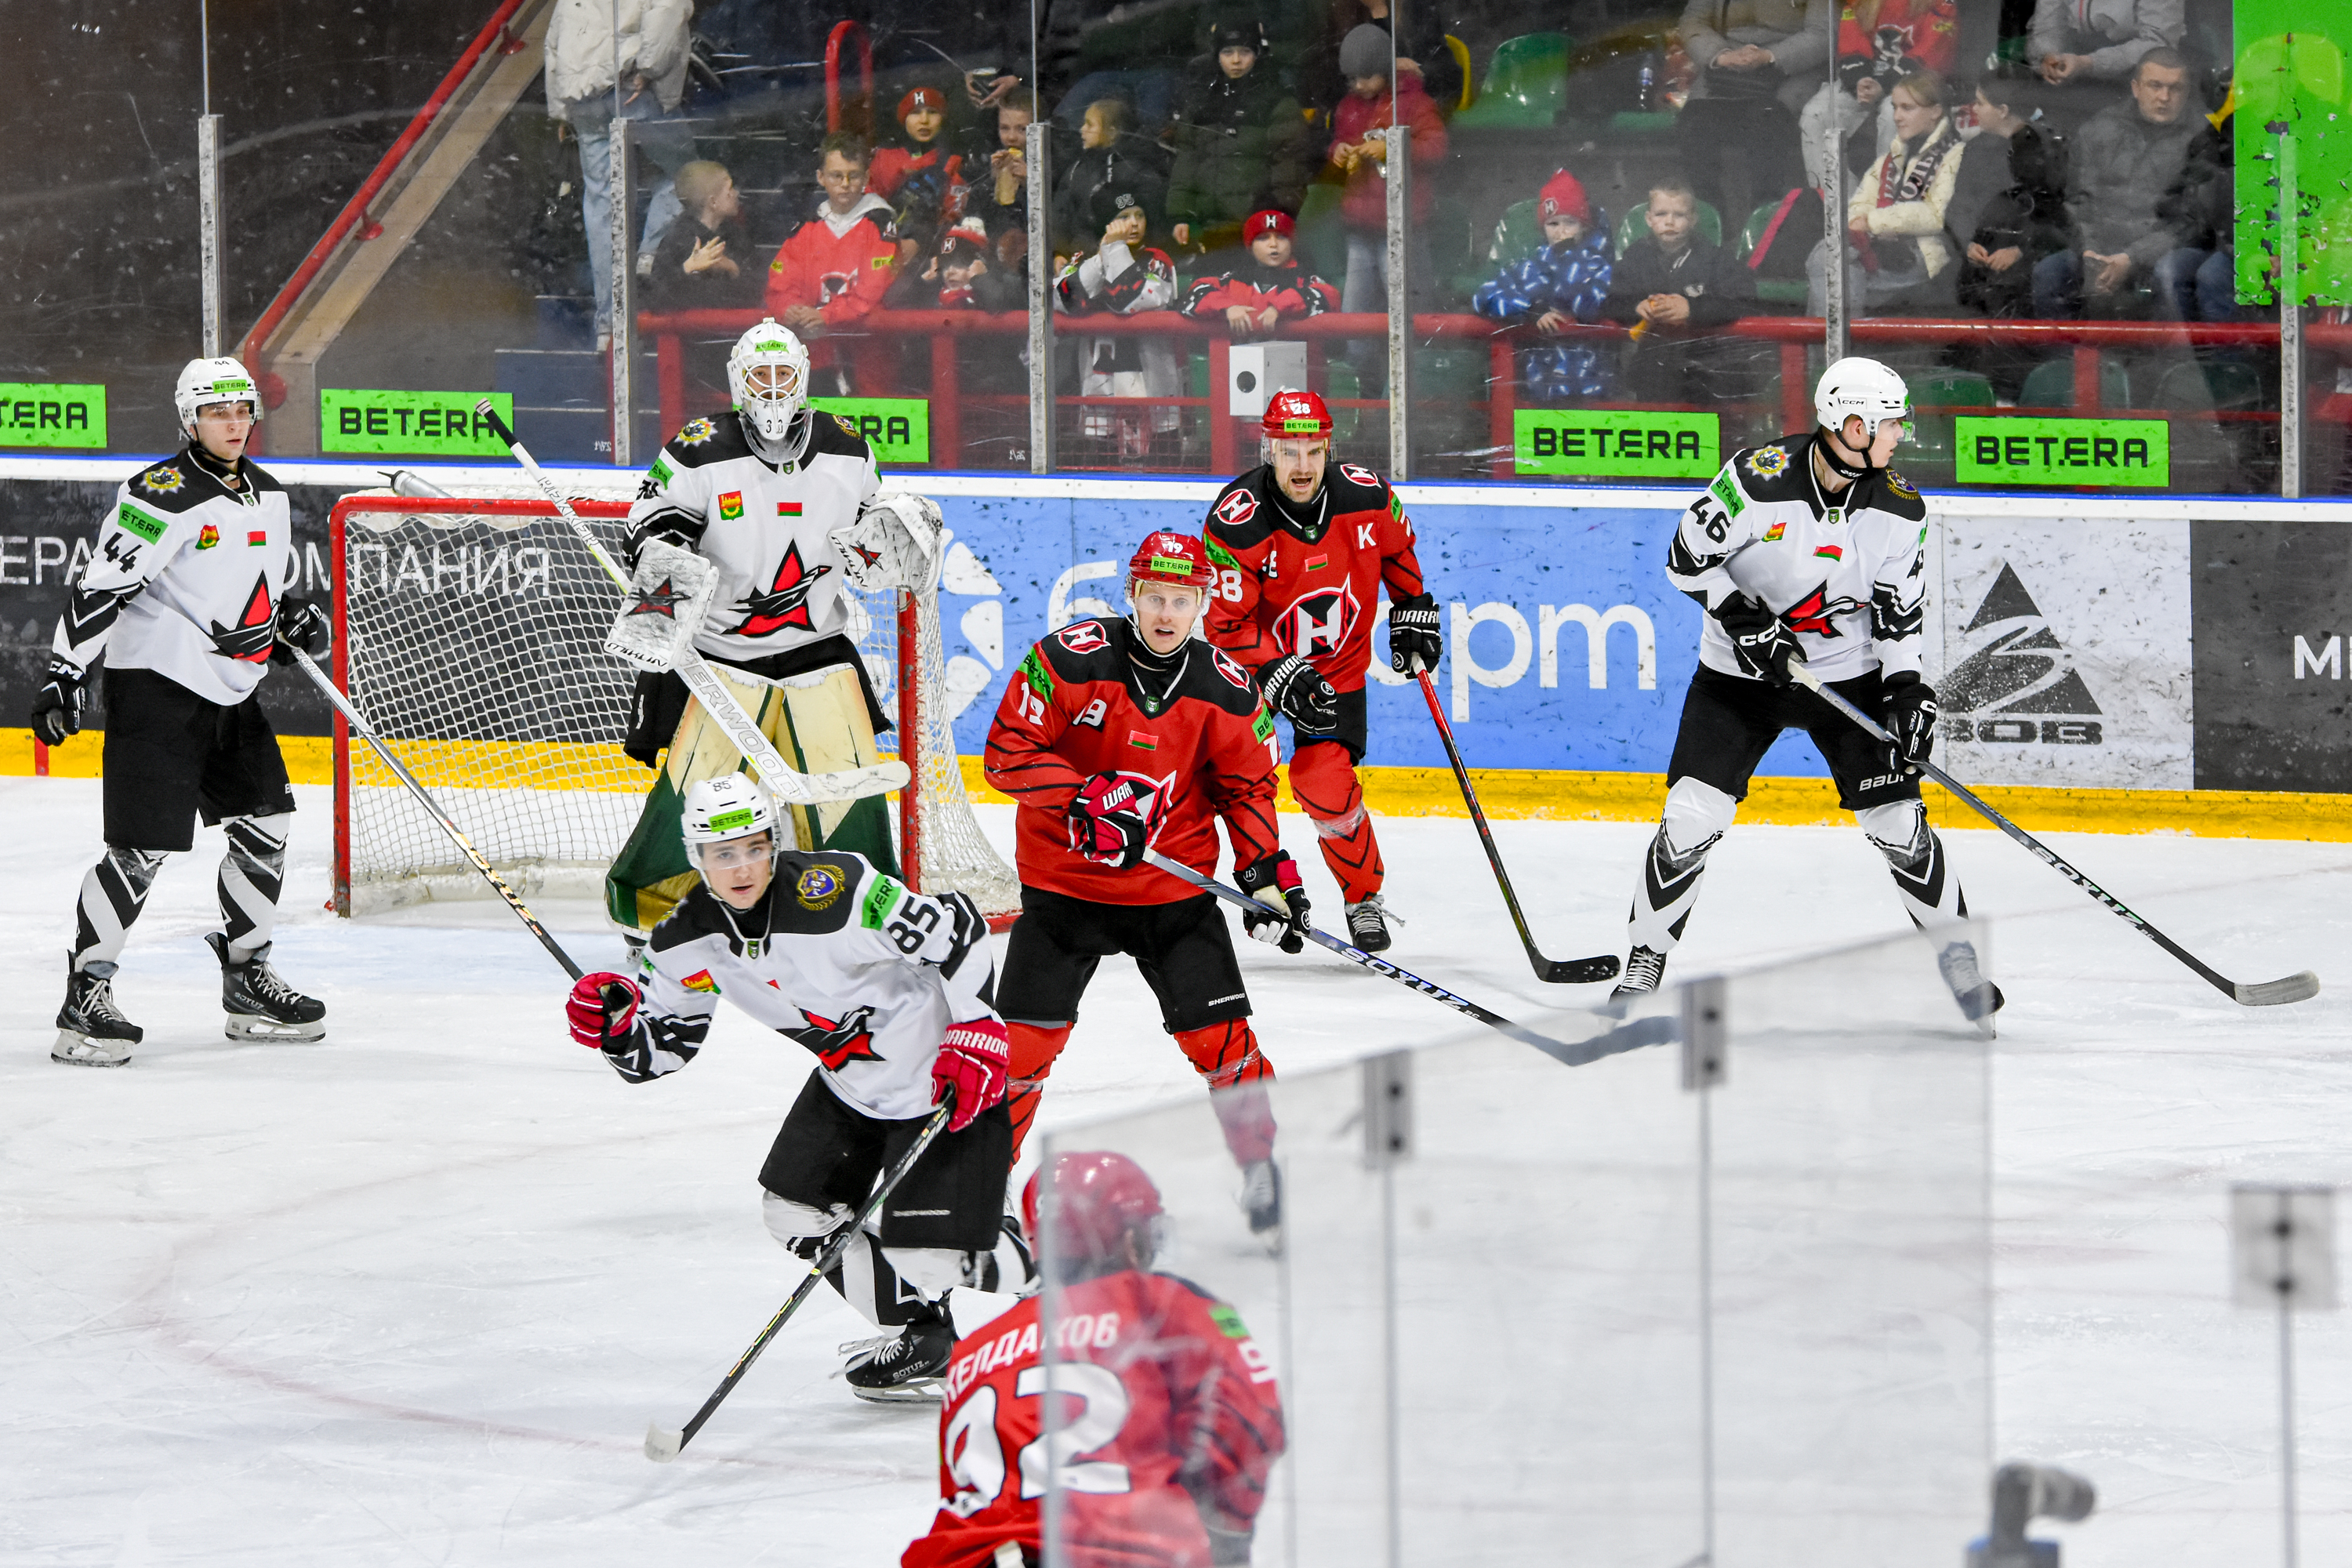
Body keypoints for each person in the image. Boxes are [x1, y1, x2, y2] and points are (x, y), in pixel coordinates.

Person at [567, 774, 1019, 1401]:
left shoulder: (837, 891)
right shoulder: (684, 942)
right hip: (851, 1085)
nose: (742, 867)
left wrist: (976, 1023)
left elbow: (959, 928)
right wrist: (616, 1028)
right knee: (794, 1212)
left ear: (774, 844)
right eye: (723, 853)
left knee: (935, 1254)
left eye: (755, 847)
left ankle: (1100, 1286)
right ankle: (923, 1338)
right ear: (696, 856)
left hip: (940, 1078)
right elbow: (660, 1051)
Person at [1609, 358, 2000, 1024]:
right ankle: (1645, 958)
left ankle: (1959, 960)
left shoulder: (1901, 508)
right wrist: (1746, 623)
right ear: (1854, 425)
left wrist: (1907, 689)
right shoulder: (1755, 481)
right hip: (1738, 680)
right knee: (1690, 821)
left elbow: (1898, 612)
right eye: (1890, 424)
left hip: (1849, 678)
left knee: (1901, 826)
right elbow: (1685, 561)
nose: (1900, 435)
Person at [981, 534, 1301, 1240]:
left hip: (1171, 894)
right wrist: (1082, 798)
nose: (1166, 613)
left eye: (1181, 600)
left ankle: (1261, 1165)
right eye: (1154, 597)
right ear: (1132, 595)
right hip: (1065, 886)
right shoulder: (1069, 660)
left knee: (1223, 1042)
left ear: (1202, 604)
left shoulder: (1227, 688)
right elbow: (1004, 755)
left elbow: (1248, 788)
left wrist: (1265, 873)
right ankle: (986, 1173)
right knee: (1023, 1046)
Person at [37, 357, 332, 1066]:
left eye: (242, 410)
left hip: (232, 689)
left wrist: (285, 625)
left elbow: (247, 595)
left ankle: (248, 980)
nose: (233, 424)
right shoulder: (158, 495)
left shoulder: (268, 494)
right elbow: (102, 586)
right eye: (216, 412)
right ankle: (86, 996)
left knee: (266, 824)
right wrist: (66, 671)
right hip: (157, 688)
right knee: (139, 850)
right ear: (189, 419)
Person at [604, 320, 901, 938]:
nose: (772, 388)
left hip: (816, 650)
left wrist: (898, 536)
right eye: (759, 375)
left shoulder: (848, 447)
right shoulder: (698, 446)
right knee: (700, 794)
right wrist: (667, 562)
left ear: (804, 377)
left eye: (782, 374)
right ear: (738, 381)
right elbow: (649, 523)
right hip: (719, 655)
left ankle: (862, 912)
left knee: (845, 792)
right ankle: (658, 914)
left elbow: (877, 530)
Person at [902, 1150, 1287, 1568]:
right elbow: (1253, 1419)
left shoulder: (973, 1350)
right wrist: (1224, 1539)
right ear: (1131, 1240)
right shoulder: (1163, 1307)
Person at [1200, 389, 1436, 953]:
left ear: (1328, 447)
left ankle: (1363, 898)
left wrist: (1412, 607)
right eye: (1289, 451)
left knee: (1322, 779)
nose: (1302, 465)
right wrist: (1275, 667)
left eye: (1312, 450)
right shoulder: (1239, 520)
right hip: (1251, 673)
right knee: (1234, 777)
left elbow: (1398, 553)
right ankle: (1267, 883)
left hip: (1336, 668)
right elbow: (1225, 625)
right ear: (1268, 450)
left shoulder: (1367, 496)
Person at [543, 0, 696, 350]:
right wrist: (648, 71)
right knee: (689, 176)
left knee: (602, 203)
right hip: (631, 89)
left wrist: (561, 110)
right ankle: (651, 254)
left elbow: (554, 42)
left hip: (583, 98)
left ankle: (609, 326)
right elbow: (668, 11)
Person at [2031, 49, 2200, 320]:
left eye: (2175, 88)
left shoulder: (2202, 139)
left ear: (2187, 92)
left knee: (2170, 275)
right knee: (2049, 272)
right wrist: (2089, 252)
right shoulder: (2098, 130)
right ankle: (2063, 350)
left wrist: (2132, 258)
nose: (2164, 97)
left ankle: (2167, 350)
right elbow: (2078, 201)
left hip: (2160, 254)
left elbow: (2191, 221)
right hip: (2098, 249)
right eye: (2155, 86)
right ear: (2136, 88)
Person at [1808, 71, 1966, 316]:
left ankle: (1840, 337)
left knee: (1832, 266)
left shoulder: (1957, 154)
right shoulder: (1892, 157)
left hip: (1925, 257)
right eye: (1895, 108)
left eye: (1907, 108)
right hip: (1880, 250)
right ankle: (1842, 335)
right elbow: (1859, 203)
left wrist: (1875, 222)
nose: (1897, 117)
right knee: (1829, 259)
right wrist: (1865, 225)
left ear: (1935, 111)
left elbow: (1936, 216)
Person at [1601, 180, 1762, 406]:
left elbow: (1745, 300)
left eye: (1679, 215)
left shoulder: (1716, 258)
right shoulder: (1634, 258)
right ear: (1649, 219)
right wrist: (1636, 306)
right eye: (1661, 214)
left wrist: (1692, 308)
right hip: (1655, 373)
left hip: (1710, 372)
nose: (1669, 222)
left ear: (1693, 220)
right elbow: (1609, 301)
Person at [1675, 0, 1829, 236]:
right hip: (1725, 66)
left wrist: (1770, 56)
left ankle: (1765, 227)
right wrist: (1721, 55)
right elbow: (1693, 20)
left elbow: (1824, 32)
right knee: (1693, 124)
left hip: (1790, 67)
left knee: (1767, 124)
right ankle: (1712, 224)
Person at [1165, 17, 1314, 260]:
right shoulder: (1200, 102)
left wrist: (1275, 217)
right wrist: (1181, 215)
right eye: (1227, 52)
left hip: (1259, 229)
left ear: (1257, 54)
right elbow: (1186, 159)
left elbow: (1289, 165)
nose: (1236, 60)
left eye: (1245, 52)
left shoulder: (1277, 100)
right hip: (1207, 226)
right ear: (1216, 56)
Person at [764, 133, 902, 397]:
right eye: (836, 176)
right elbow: (780, 282)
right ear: (821, 177)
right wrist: (790, 309)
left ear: (866, 177)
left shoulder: (880, 222)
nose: (845, 184)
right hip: (817, 356)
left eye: (854, 175)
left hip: (869, 355)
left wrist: (825, 316)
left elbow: (875, 287)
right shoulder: (808, 225)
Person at [1054, 186, 1185, 460]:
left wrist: (1115, 249)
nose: (1134, 223)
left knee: (1163, 464)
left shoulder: (1158, 260)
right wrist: (1102, 258)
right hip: (1100, 382)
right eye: (1123, 217)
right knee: (1102, 463)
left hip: (1153, 384)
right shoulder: (1086, 259)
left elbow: (1132, 299)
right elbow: (1062, 299)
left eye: (1139, 215)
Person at [1472, 169, 1615, 403]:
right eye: (1553, 223)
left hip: (1589, 391)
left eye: (1570, 223)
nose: (1561, 232)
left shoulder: (1599, 267)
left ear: (1584, 227)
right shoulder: (1530, 268)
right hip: (1537, 391)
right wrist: (1531, 310)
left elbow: (1585, 305)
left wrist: (1568, 255)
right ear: (1543, 227)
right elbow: (1483, 297)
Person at [1798, 0, 1961, 192]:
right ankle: (1839, 202)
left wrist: (1884, 84)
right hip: (1868, 79)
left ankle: (1885, 198)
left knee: (1895, 117)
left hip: (1918, 82)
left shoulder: (1942, 4)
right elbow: (1851, 44)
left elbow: (1932, 54)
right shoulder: (1860, 2)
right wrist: (1859, 79)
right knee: (1815, 115)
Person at [1948, 76, 2070, 326]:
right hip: (1980, 258)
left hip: (2030, 263)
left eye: (1980, 103)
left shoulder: (2048, 151)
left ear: (2003, 110)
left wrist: (2021, 251)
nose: (1974, 109)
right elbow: (1959, 204)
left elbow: (2057, 214)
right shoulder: (1975, 148)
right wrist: (1968, 243)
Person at [1178, 209, 1340, 339]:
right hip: (1242, 366)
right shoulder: (1236, 278)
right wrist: (1228, 308)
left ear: (1292, 244)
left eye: (1282, 237)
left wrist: (1279, 307)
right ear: (1250, 246)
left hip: (1294, 365)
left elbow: (1330, 296)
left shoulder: (1305, 279)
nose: (1273, 244)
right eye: (1263, 238)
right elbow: (1194, 293)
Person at [2151, 97, 2238, 323]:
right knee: (2169, 271)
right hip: (2209, 240)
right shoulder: (2211, 137)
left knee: (2212, 275)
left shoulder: (2286, 129)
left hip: (2251, 243)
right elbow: (2173, 198)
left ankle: (2228, 348)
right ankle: (2185, 345)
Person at [1054, 98, 1171, 259]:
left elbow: (1154, 222)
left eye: (1090, 125)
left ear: (1111, 132)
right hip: (1083, 259)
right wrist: (1059, 252)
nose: (1082, 129)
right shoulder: (1077, 168)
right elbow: (1061, 215)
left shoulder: (1134, 169)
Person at [645, 160, 763, 311]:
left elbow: (760, 292)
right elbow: (655, 300)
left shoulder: (737, 236)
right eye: (730, 189)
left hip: (733, 324)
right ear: (713, 202)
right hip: (690, 326)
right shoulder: (677, 240)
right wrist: (688, 268)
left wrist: (733, 268)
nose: (736, 193)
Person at [867, 85, 967, 258]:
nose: (924, 120)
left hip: (929, 252)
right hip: (882, 244)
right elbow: (869, 204)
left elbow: (953, 217)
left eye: (932, 112)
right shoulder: (884, 157)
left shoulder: (952, 161)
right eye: (915, 113)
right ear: (904, 118)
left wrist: (922, 240)